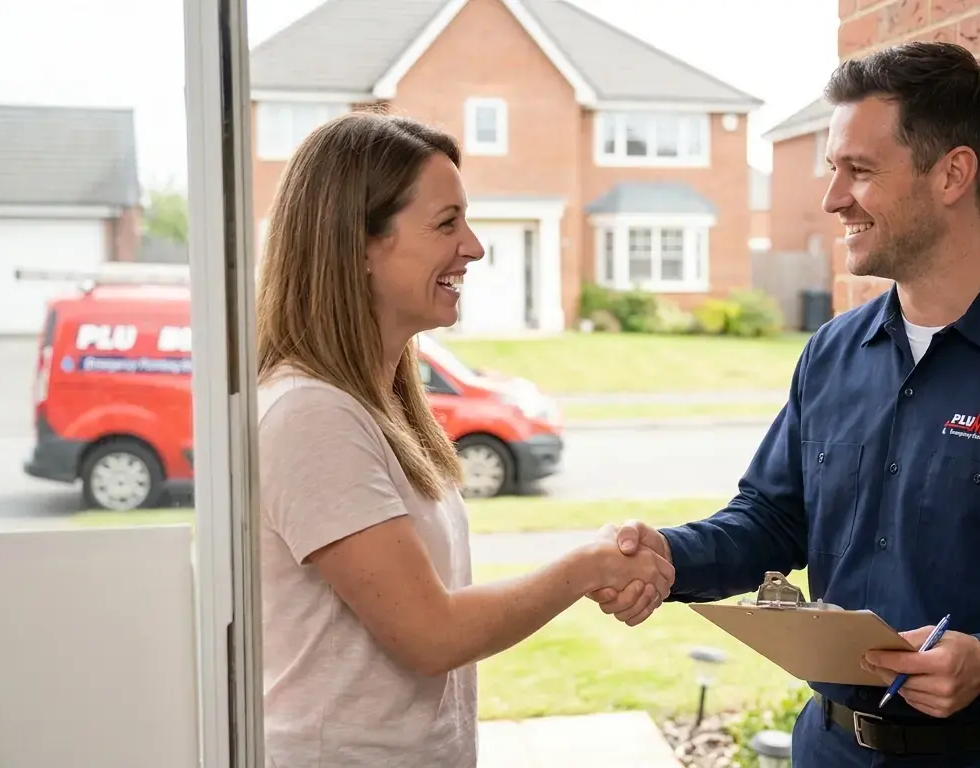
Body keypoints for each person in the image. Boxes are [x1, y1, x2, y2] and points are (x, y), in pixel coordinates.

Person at [591, 41, 980, 767]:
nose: (832, 198)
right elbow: (775, 518)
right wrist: (671, 554)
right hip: (829, 750)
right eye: (832, 171)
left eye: (861, 170)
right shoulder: (832, 354)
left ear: (953, 173)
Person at [252, 111, 673, 768]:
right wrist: (588, 566)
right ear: (360, 245)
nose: (474, 247)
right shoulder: (311, 415)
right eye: (447, 224)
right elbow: (430, 634)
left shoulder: (379, 402)